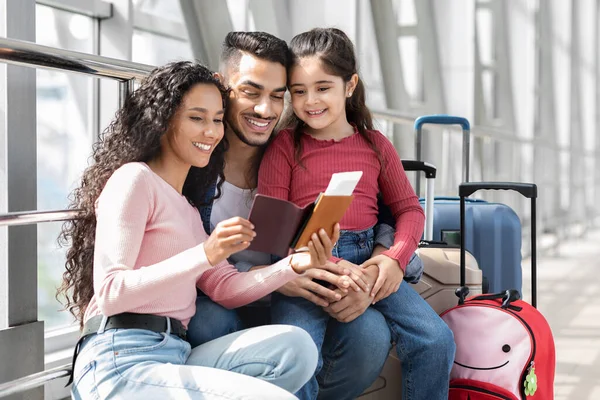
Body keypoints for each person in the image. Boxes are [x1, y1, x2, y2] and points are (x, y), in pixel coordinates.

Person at [57, 61, 343, 400]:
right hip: (121, 360)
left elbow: (226, 287)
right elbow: (110, 291)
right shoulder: (135, 180)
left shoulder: (189, 211)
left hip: (175, 354)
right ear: (163, 120)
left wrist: (294, 265)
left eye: (218, 119)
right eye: (197, 118)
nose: (211, 131)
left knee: (296, 347)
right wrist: (204, 254)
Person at [187, 31, 425, 400]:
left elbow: (385, 212)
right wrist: (276, 276)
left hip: (311, 288)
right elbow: (182, 252)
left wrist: (375, 268)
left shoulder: (316, 149)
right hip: (234, 298)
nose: (266, 110)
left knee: (371, 333)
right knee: (208, 320)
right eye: (251, 92)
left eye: (278, 95)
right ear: (224, 88)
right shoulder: (197, 164)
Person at [258, 28, 456, 400]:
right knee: (298, 357)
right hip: (305, 270)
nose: (310, 101)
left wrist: (394, 260)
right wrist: (317, 266)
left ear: (349, 86)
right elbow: (270, 232)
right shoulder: (285, 146)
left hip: (370, 266)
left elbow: (409, 210)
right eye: (298, 91)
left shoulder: (375, 145)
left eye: (323, 87)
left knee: (436, 340)